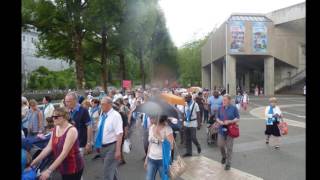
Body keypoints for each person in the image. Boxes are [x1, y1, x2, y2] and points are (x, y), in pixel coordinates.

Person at [31, 107, 84, 180]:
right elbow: (48, 148)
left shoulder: (71, 130)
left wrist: (49, 171)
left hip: (73, 167)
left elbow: (64, 153)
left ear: (65, 117)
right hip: (62, 166)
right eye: (52, 117)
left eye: (56, 117)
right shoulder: (56, 128)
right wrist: (33, 162)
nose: (53, 119)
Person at [94, 96, 123, 180]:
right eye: (100, 104)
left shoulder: (115, 116)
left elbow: (119, 134)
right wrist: (98, 144)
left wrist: (118, 150)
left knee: (107, 171)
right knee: (111, 170)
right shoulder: (103, 115)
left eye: (103, 104)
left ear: (110, 104)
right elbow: (100, 130)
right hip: (102, 147)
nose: (100, 106)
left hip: (112, 147)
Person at [144, 115, 174, 180]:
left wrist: (159, 137)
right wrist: (146, 158)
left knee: (165, 178)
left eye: (151, 117)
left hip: (163, 160)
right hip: (151, 159)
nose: (149, 118)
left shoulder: (167, 129)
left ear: (158, 117)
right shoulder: (151, 127)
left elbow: (171, 146)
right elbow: (150, 144)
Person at [216, 94, 240, 170]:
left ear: (229, 100)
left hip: (230, 129)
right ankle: (224, 156)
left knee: (229, 147)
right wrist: (220, 121)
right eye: (223, 100)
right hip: (221, 129)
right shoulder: (220, 108)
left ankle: (228, 163)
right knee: (220, 145)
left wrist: (230, 121)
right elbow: (217, 117)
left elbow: (237, 118)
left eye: (225, 100)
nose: (223, 101)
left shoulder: (234, 108)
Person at [65, 92, 93, 156]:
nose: (66, 104)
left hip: (80, 142)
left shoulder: (83, 110)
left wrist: (88, 142)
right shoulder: (68, 111)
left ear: (75, 100)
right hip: (70, 142)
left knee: (78, 163)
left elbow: (89, 126)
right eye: (66, 101)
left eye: (68, 101)